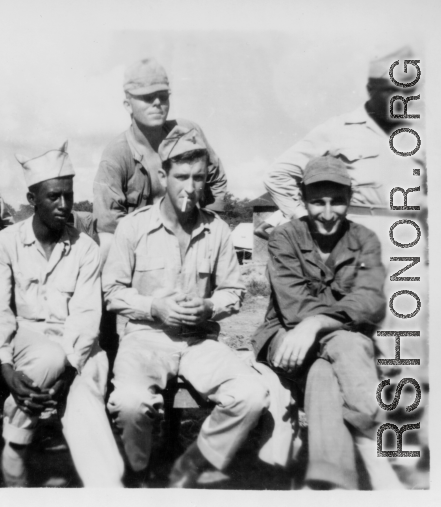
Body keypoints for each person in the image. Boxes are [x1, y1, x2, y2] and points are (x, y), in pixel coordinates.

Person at [103, 126, 268, 488]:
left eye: (197, 177)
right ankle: (138, 473)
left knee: (252, 395)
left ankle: (191, 465)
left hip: (198, 342)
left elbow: (233, 291)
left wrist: (209, 307)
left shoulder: (218, 230)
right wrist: (154, 306)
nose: (190, 187)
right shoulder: (133, 228)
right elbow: (112, 291)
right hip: (145, 339)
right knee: (130, 403)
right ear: (163, 175)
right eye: (181, 177)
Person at [262, 45, 427, 372]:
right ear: (370, 89)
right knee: (364, 331)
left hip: (412, 243)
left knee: (413, 336)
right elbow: (279, 175)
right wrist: (305, 222)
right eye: (392, 90)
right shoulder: (339, 129)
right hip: (358, 244)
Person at [252, 156, 403, 490]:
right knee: (348, 342)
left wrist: (318, 322)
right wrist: (319, 322)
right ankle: (376, 446)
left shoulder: (365, 239)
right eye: (317, 202)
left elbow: (371, 300)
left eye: (337, 201)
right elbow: (293, 308)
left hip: (328, 351)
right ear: (303, 201)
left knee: (325, 371)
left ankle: (330, 483)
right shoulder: (285, 238)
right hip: (287, 342)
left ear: (349, 200)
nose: (327, 212)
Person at [0, 141, 124, 488]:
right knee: (46, 356)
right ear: (32, 200)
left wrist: (71, 367)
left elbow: (87, 317)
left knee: (85, 396)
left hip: (81, 349)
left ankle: (105, 485)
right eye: (53, 197)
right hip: (26, 343)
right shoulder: (4, 244)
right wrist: (4, 365)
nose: (64, 205)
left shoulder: (85, 249)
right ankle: (15, 456)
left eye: (69, 196)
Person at [93, 57, 228, 263]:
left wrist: (209, 224)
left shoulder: (188, 133)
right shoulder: (116, 155)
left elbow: (216, 177)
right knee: (106, 244)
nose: (157, 103)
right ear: (128, 105)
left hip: (190, 232)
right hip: (140, 244)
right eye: (147, 98)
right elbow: (109, 224)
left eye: (163, 97)